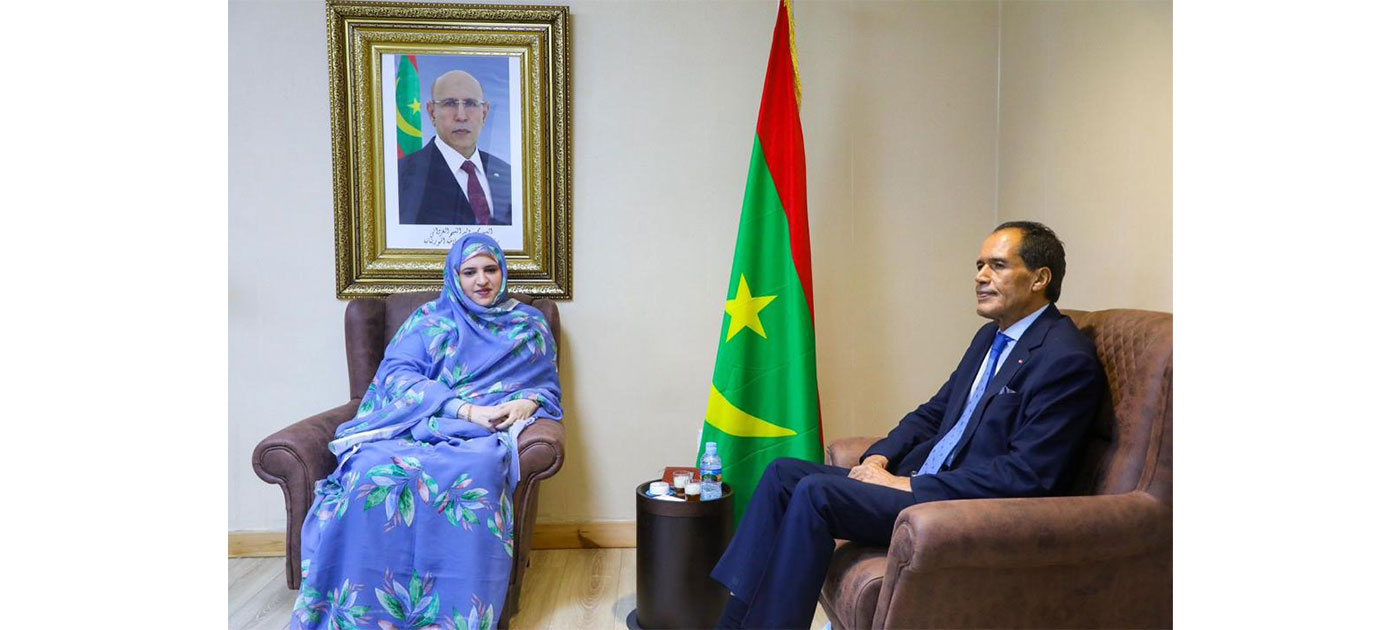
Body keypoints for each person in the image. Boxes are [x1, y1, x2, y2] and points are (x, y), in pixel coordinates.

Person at [710, 221, 1105, 629]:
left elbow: (1027, 476)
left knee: (815, 492)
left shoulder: (1064, 359)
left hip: (960, 508)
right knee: (782, 474)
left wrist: (906, 486)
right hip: (922, 481)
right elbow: (934, 412)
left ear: (1040, 278)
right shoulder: (990, 338)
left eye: (998, 265)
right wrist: (879, 458)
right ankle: (732, 622)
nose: (980, 276)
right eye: (979, 265)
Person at [292, 233, 559, 630]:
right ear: (454, 276)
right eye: (469, 271)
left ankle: (457, 616)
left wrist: (528, 403)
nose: (481, 280)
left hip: (483, 438)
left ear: (502, 273)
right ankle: (360, 613)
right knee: (368, 470)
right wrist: (463, 409)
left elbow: (544, 385)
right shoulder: (429, 319)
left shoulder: (528, 324)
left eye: (490, 269)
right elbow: (397, 375)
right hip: (417, 424)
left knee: (479, 471)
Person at [399, 70, 512, 225]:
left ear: (484, 114)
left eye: (471, 104)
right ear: (432, 113)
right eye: (450, 103)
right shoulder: (403, 175)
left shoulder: (507, 175)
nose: (461, 116)